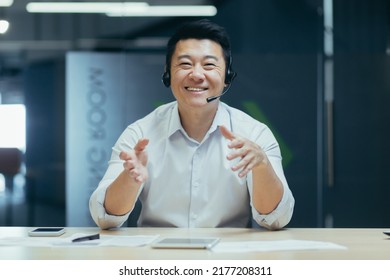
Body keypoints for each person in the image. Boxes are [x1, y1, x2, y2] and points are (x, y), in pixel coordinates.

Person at [89, 19, 294, 230]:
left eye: (209, 65)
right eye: (185, 64)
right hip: (158, 257)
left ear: (227, 76)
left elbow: (276, 219)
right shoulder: (140, 134)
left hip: (228, 258)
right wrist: (129, 178)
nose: (196, 75)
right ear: (168, 73)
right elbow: (105, 217)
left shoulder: (254, 134)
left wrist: (262, 167)